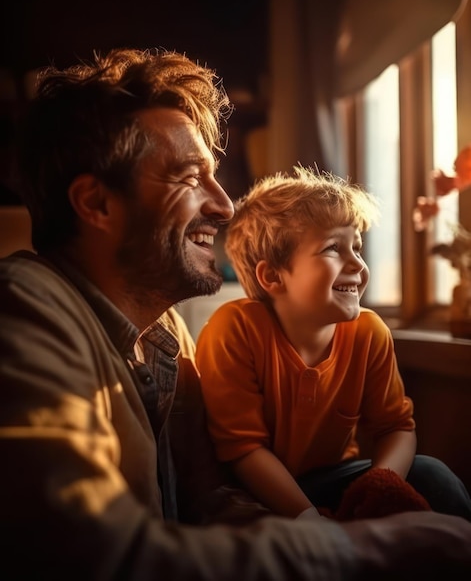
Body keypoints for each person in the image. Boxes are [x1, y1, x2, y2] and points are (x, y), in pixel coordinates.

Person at [1, 48, 471, 581]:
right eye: (188, 177)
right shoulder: (25, 308)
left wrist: (327, 529)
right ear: (97, 204)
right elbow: (81, 550)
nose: (224, 205)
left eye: (215, 176)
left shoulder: (167, 332)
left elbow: (210, 499)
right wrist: (359, 551)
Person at [195, 165, 471, 524]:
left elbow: (397, 428)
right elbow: (243, 448)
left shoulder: (369, 332)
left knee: (431, 475)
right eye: (332, 248)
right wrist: (309, 519)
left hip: (331, 479)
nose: (357, 263)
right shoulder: (234, 329)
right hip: (250, 485)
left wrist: (379, 484)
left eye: (356, 246)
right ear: (273, 276)